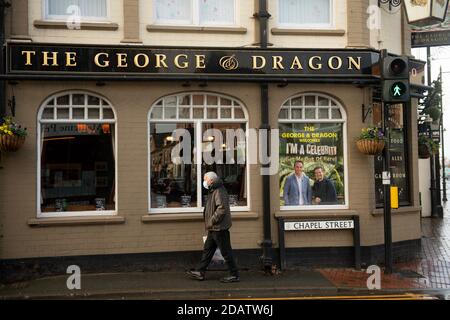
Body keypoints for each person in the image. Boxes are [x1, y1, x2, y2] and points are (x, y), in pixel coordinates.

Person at [186, 172, 240, 283]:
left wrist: (211, 221)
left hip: (219, 228)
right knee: (208, 249)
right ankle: (200, 272)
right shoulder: (214, 189)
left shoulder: (219, 190)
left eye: (205, 179)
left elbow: (222, 209)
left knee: (226, 252)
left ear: (211, 180)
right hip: (214, 228)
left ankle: (234, 274)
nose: (204, 182)